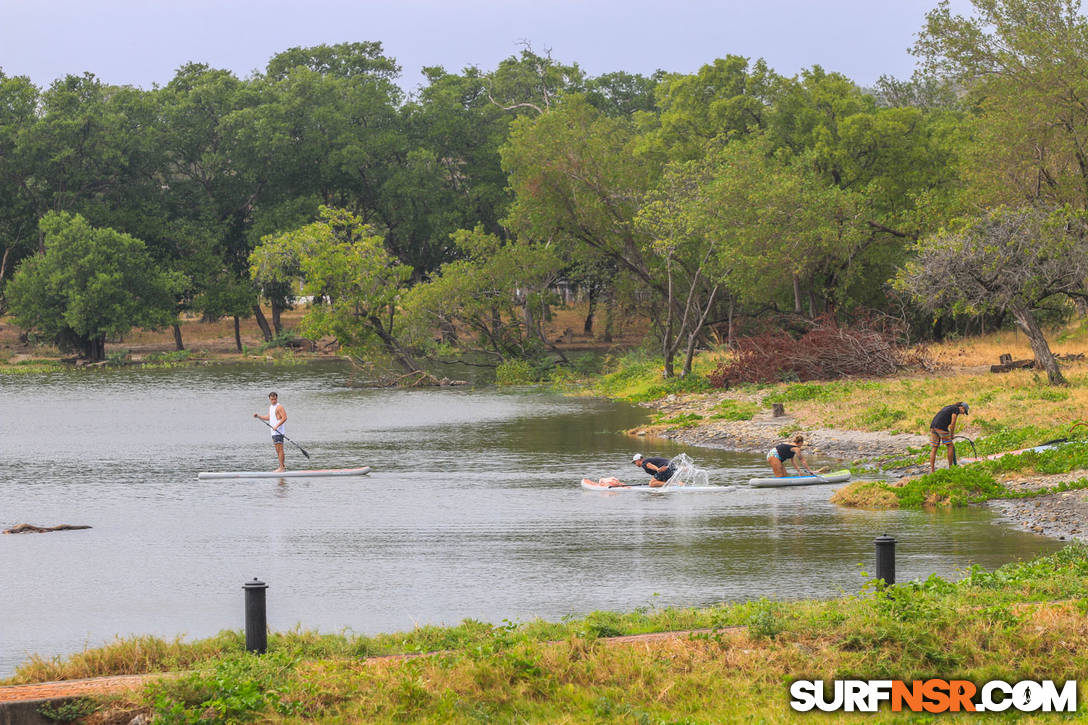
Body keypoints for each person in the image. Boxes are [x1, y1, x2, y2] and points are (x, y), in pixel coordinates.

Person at [929, 402, 969, 473]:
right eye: (964, 411)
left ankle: (932, 470)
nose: (963, 413)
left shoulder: (949, 407)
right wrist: (952, 434)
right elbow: (952, 424)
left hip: (933, 427)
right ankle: (951, 468)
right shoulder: (955, 409)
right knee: (950, 446)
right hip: (941, 428)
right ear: (961, 407)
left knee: (934, 448)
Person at [254, 391, 288, 472]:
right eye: (272, 399)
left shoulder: (279, 407)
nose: (273, 401)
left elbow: (284, 418)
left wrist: (277, 426)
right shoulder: (271, 407)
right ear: (269, 399)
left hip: (278, 431)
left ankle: (282, 468)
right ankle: (282, 467)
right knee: (277, 450)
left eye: (275, 399)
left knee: (280, 449)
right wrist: (258, 416)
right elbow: (269, 417)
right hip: (273, 432)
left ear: (277, 398)